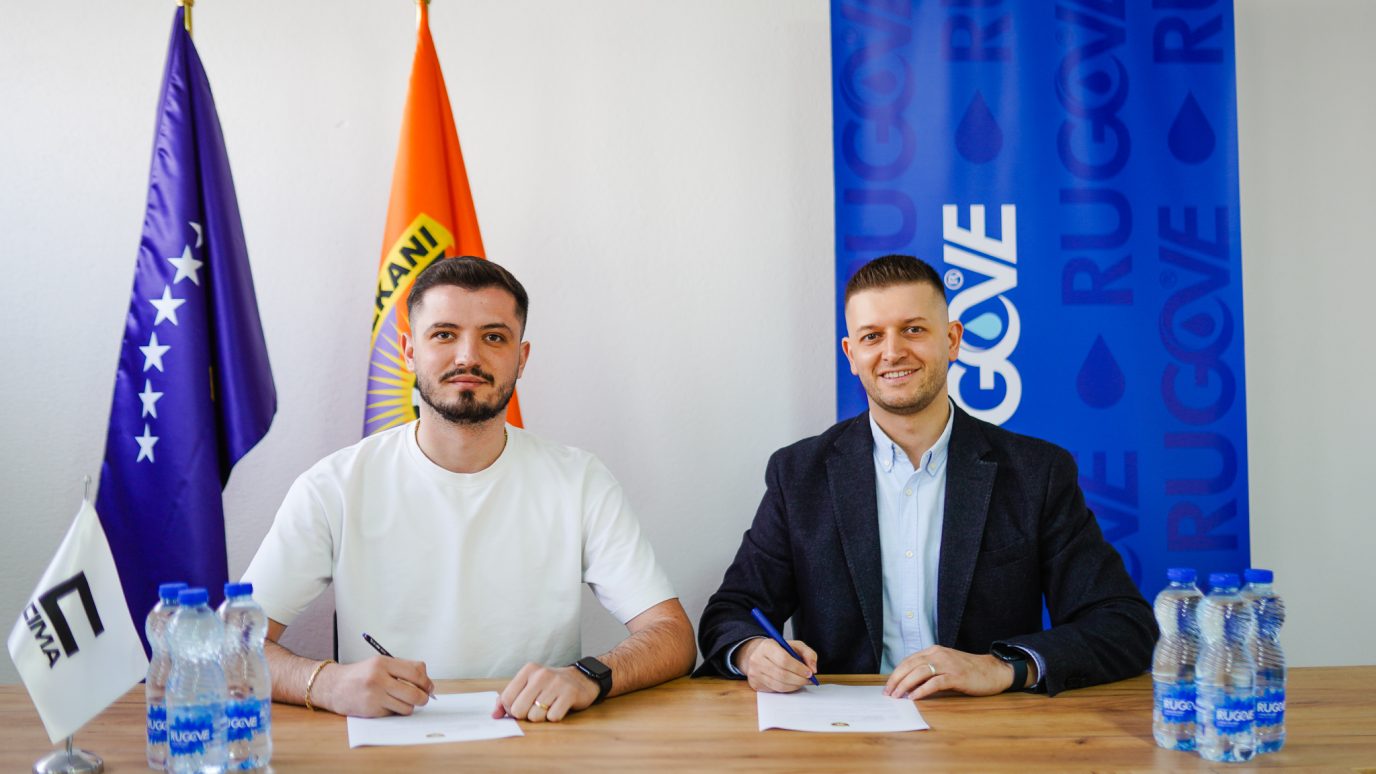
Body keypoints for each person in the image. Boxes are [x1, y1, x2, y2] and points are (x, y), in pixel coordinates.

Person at [243, 256, 696, 721]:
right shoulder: (333, 486)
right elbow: (228, 647)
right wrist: (325, 683)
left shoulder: (580, 481)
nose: (467, 357)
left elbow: (673, 635)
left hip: (538, 738)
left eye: (493, 337)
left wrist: (588, 675)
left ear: (521, 358)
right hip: (388, 742)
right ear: (409, 351)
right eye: (444, 334)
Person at [695, 254, 1156, 698]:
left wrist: (1001, 667)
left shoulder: (1037, 473)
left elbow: (1123, 623)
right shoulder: (798, 475)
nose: (893, 352)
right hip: (843, 730)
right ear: (851, 354)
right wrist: (754, 653)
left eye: (913, 329)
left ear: (952, 340)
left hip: (988, 728)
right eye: (872, 336)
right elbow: (730, 613)